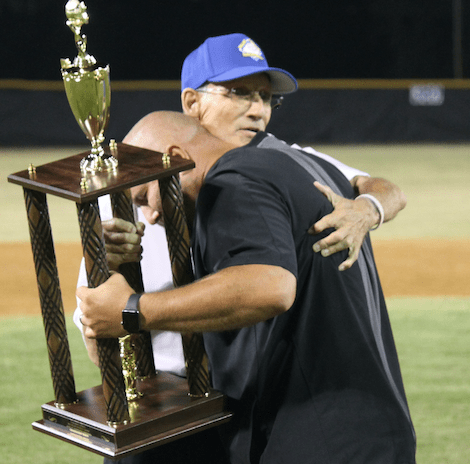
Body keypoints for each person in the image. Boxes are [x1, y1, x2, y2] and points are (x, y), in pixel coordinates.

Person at [77, 111, 416, 464]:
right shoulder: (308, 166)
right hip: (368, 426)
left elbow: (270, 287)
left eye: (145, 197)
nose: (149, 215)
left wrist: (132, 310)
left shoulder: (232, 180)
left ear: (175, 158)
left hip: (320, 435)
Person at [74, 33, 406, 370]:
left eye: (266, 97)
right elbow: (98, 334)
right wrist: (103, 265)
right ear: (192, 102)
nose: (258, 111)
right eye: (240, 93)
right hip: (163, 382)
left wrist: (367, 208)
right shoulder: (141, 175)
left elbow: (386, 190)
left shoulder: (287, 160)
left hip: (252, 384)